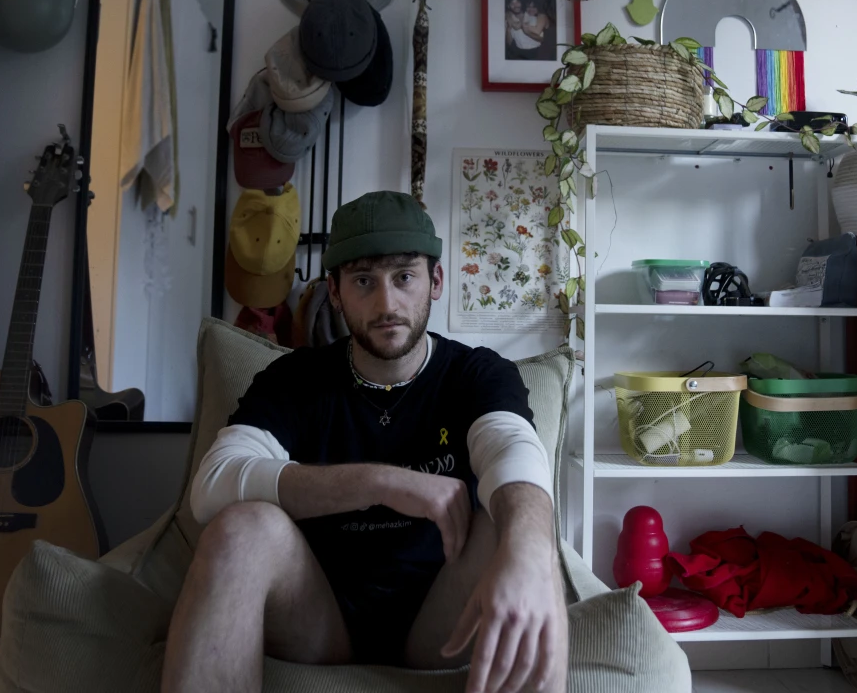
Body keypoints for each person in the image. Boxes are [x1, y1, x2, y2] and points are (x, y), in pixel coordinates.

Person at [161, 191, 567, 693]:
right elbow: (213, 485)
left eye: (403, 277)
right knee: (240, 528)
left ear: (435, 281)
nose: (386, 304)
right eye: (362, 281)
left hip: (441, 616)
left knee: (528, 536)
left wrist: (526, 551)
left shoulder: (476, 374)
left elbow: (514, 455)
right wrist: (380, 482)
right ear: (334, 291)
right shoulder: (295, 380)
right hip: (321, 615)